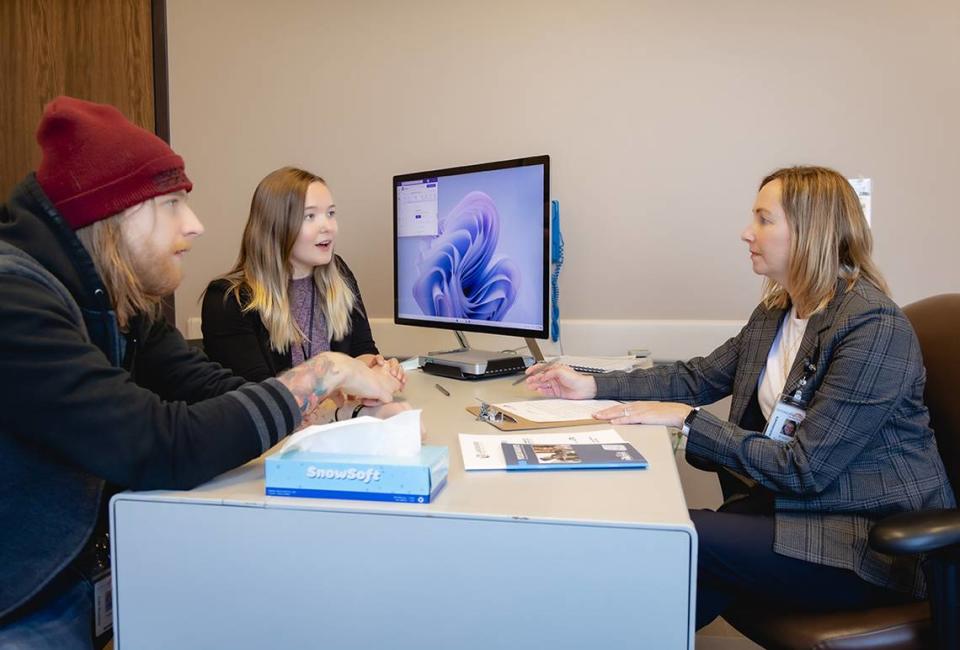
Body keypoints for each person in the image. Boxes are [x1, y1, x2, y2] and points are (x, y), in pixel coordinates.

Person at [0, 97, 401, 649]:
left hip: (86, 565)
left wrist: (314, 419)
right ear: (110, 215)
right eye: (170, 203)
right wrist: (322, 375)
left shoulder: (119, 305)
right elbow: (158, 444)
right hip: (23, 598)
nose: (195, 225)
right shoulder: (14, 299)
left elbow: (212, 385)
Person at [525, 166, 956, 629]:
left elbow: (804, 468)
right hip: (795, 512)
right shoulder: (777, 313)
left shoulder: (873, 327)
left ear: (811, 231)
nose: (747, 233)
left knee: (672, 542)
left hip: (870, 540)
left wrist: (688, 421)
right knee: (670, 579)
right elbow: (697, 378)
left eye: (764, 220)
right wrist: (591, 386)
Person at [201, 166, 406, 423]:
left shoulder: (339, 275)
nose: (328, 227)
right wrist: (346, 395)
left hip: (337, 430)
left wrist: (378, 370)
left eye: (331, 214)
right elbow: (263, 405)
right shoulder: (228, 300)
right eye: (310, 216)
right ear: (275, 226)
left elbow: (362, 351)